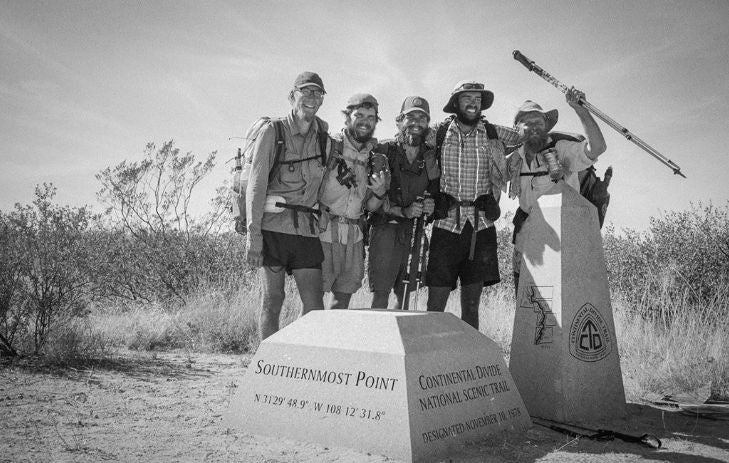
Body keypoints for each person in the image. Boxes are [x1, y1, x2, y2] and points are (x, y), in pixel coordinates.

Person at [425, 80, 525, 330]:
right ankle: (429, 359)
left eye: (477, 100)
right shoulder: (438, 132)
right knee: (435, 304)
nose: (472, 103)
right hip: (446, 223)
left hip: (481, 226)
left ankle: (468, 362)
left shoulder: (492, 132)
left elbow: (528, 137)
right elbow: (410, 137)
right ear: (456, 103)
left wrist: (537, 128)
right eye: (467, 98)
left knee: (471, 306)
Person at [245, 71, 330, 340]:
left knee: (315, 306)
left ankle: (299, 362)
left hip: (306, 230)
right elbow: (256, 187)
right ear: (293, 96)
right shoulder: (274, 131)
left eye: (318, 93)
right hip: (273, 230)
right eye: (306, 91)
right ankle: (267, 365)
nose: (312, 98)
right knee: (273, 300)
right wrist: (253, 237)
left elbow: (325, 185)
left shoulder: (324, 138)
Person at [509, 88, 607, 296]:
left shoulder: (561, 149)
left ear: (546, 126)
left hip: (564, 235)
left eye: (540, 122)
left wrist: (580, 110)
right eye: (529, 122)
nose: (535, 127)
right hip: (527, 236)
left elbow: (597, 148)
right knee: (525, 300)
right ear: (517, 128)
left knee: (566, 299)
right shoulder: (514, 160)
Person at [318, 93, 389, 310]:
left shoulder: (376, 158)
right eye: (360, 115)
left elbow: (371, 207)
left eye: (371, 117)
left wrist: (379, 192)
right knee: (312, 305)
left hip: (353, 236)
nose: (365, 121)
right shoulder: (329, 147)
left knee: (340, 305)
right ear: (347, 117)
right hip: (322, 232)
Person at [368, 96, 437, 309]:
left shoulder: (431, 157)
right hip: (385, 231)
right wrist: (402, 211)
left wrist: (430, 205)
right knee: (381, 294)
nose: (416, 122)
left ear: (428, 124)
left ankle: (400, 342)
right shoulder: (383, 151)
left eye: (422, 118)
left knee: (404, 294)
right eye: (410, 117)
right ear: (399, 121)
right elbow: (373, 198)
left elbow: (434, 192)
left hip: (415, 233)